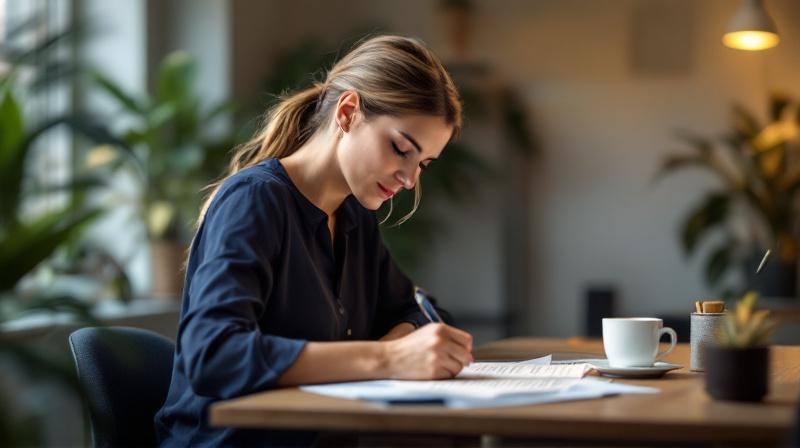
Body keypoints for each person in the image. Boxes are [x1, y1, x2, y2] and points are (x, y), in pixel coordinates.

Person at [155, 35, 473, 447]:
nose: (409, 179)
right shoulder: (255, 202)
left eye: (423, 164)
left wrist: (407, 344)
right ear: (348, 112)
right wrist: (388, 358)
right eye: (400, 149)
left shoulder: (354, 217)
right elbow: (213, 355)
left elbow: (425, 312)